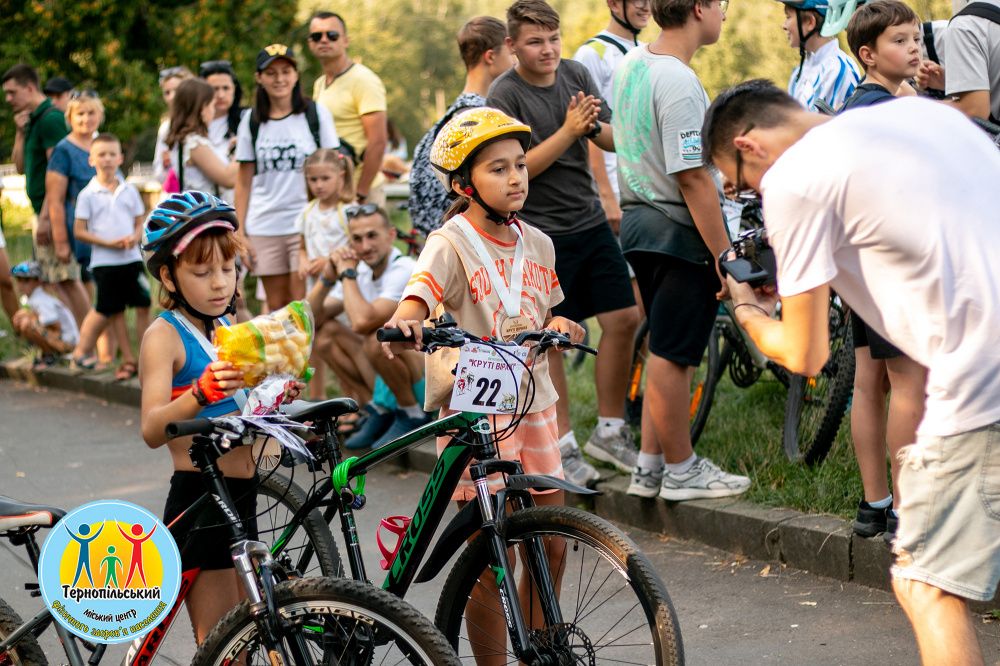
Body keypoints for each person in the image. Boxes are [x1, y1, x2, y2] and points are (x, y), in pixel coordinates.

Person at [701, 79, 1000, 666]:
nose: (754, 194)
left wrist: (747, 309)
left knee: (927, 585)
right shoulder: (924, 117)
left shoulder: (795, 178)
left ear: (748, 145)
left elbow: (806, 354)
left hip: (978, 378)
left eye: (742, 184)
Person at [382, 107, 582, 659]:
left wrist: (563, 325)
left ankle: (541, 652)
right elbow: (417, 296)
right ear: (463, 184)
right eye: (499, 169)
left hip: (533, 405)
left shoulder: (539, 243)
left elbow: (545, 311)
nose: (516, 177)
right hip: (476, 414)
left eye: (520, 165)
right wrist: (407, 319)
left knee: (551, 544)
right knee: (492, 558)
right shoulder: (450, 242)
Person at [488, 0, 641, 486]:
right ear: (512, 46)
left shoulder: (576, 73)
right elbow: (515, 168)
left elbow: (609, 138)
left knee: (625, 318)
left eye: (553, 38)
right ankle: (563, 443)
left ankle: (610, 430)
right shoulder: (504, 93)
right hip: (540, 233)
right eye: (535, 41)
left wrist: (592, 127)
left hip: (589, 219)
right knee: (553, 338)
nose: (548, 49)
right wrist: (568, 130)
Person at [138, 191, 299, 645]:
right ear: (168, 275)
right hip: (200, 497)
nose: (219, 283)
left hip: (242, 494)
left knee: (248, 637)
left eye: (228, 269)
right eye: (202, 272)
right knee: (222, 645)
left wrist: (273, 396)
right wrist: (199, 393)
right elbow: (152, 428)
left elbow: (239, 411)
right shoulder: (164, 336)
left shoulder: (227, 330)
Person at [611, 0, 751, 501]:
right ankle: (682, 470)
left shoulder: (632, 63)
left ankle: (650, 466)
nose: (725, 15)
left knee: (662, 347)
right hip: (676, 230)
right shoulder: (678, 80)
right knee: (675, 356)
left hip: (640, 225)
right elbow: (690, 175)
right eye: (721, 4)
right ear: (698, 8)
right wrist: (724, 254)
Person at [840, 1, 930, 540]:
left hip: (863, 264)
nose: (914, 48)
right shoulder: (887, 112)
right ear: (868, 54)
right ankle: (906, 509)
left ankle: (875, 503)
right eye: (900, 40)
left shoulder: (863, 104)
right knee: (909, 383)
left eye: (916, 38)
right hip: (893, 265)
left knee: (869, 380)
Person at [306, 204, 425, 449]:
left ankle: (412, 413)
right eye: (357, 239)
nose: (364, 246)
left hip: (424, 374)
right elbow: (309, 320)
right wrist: (327, 278)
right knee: (325, 334)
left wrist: (347, 275)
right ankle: (378, 409)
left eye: (372, 236)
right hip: (389, 372)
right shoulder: (361, 270)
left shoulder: (404, 268)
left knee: (378, 338)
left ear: (391, 235)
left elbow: (362, 322)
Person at [234, 44, 339, 312]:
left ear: (295, 75)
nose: (279, 79)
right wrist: (240, 231)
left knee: (303, 305)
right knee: (277, 306)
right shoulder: (251, 121)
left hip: (306, 222)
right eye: (271, 73)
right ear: (259, 78)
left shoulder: (315, 114)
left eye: (285, 71)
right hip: (265, 224)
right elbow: (243, 181)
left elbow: (335, 166)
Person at [409, 16, 515, 237]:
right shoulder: (476, 118)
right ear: (491, 56)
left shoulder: (457, 112)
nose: (516, 61)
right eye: (511, 53)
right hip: (462, 234)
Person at [70, 133, 150, 380]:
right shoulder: (87, 194)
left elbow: (139, 221)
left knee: (143, 304)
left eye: (112, 154)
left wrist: (135, 237)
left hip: (131, 259)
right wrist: (108, 243)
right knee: (114, 310)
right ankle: (127, 360)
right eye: (101, 154)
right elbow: (79, 231)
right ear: (91, 160)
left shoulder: (129, 190)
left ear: (120, 158)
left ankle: (147, 358)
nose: (107, 159)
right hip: (105, 262)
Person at [573, 0, 652, 232]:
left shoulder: (647, 50)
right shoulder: (591, 53)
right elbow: (587, 126)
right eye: (638, 0)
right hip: (614, 192)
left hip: (647, 187)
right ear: (614, 4)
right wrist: (606, 196)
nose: (646, 7)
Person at [3, 64, 76, 298]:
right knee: (54, 281)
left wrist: (46, 219)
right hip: (41, 211)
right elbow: (20, 167)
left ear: (30, 88)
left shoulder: (50, 119)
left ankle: (86, 324)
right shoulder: (32, 121)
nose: (8, 99)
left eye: (12, 92)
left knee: (66, 280)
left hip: (53, 213)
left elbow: (59, 174)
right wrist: (20, 132)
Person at [308, 10, 389, 206]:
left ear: (345, 40)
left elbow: (378, 142)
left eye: (332, 35)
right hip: (332, 192)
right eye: (317, 36)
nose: (324, 40)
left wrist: (360, 193)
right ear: (310, 43)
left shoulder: (363, 80)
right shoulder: (320, 84)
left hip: (360, 192)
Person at [44, 89, 100, 325]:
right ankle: (88, 336)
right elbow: (55, 199)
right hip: (76, 229)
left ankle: (105, 338)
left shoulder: (102, 144)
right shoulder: (63, 150)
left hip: (103, 229)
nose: (86, 118)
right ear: (70, 118)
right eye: (80, 114)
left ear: (100, 115)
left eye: (91, 113)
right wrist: (61, 242)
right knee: (83, 285)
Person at [777, 0, 861, 111]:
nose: (784, 26)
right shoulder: (800, 71)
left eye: (788, 17)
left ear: (810, 22)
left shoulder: (839, 70)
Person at [166, 78, 239, 201]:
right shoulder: (195, 144)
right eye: (212, 105)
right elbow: (228, 179)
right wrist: (242, 149)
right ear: (202, 109)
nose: (213, 111)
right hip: (207, 210)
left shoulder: (186, 140)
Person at [9, 260, 79, 364]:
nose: (21, 285)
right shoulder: (32, 298)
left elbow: (56, 327)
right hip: (60, 340)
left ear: (38, 281)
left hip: (68, 343)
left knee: (26, 324)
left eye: (26, 280)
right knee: (24, 321)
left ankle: (50, 355)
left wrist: (31, 317)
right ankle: (47, 353)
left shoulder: (41, 300)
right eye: (19, 280)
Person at [153, 66, 195, 190]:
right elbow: (158, 175)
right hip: (180, 195)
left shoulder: (203, 121)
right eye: (167, 92)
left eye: (177, 90)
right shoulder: (166, 128)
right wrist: (165, 164)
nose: (172, 97)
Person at [198, 60, 246, 164]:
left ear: (234, 89)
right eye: (215, 89)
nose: (221, 95)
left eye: (226, 88)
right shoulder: (192, 124)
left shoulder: (246, 119)